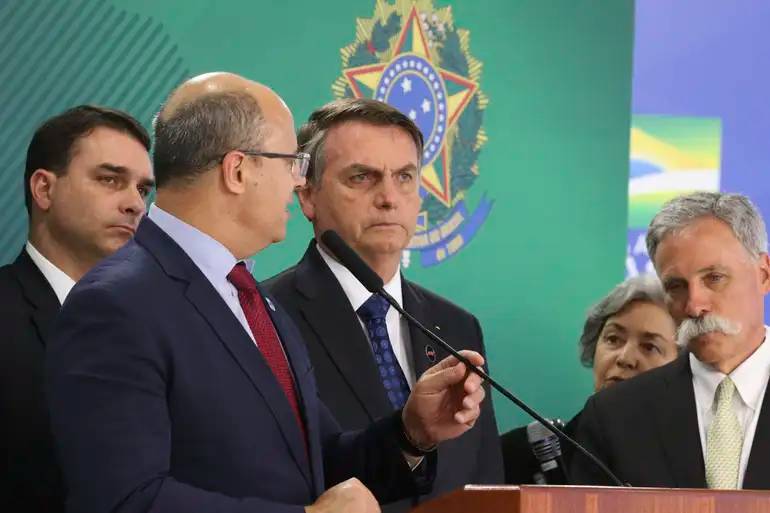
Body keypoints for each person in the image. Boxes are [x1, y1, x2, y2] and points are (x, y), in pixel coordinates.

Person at [46, 73, 488, 513]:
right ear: (238, 170)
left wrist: (411, 432)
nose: (297, 182)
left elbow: (322, 462)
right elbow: (124, 501)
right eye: (290, 162)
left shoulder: (253, 300)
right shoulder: (114, 305)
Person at [265, 98, 503, 511]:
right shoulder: (266, 315)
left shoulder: (457, 326)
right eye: (362, 177)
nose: (389, 198)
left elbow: (485, 484)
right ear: (306, 196)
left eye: (405, 177)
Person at [0, 105, 153, 512]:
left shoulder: (159, 325)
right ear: (44, 189)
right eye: (110, 179)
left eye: (143, 189)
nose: (135, 204)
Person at [571, 191, 770, 489]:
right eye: (676, 286)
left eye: (714, 278)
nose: (693, 305)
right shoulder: (614, 416)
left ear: (763, 274)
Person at [500, 274, 679, 483]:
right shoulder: (521, 456)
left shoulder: (700, 468)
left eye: (649, 347)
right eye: (613, 339)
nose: (624, 358)